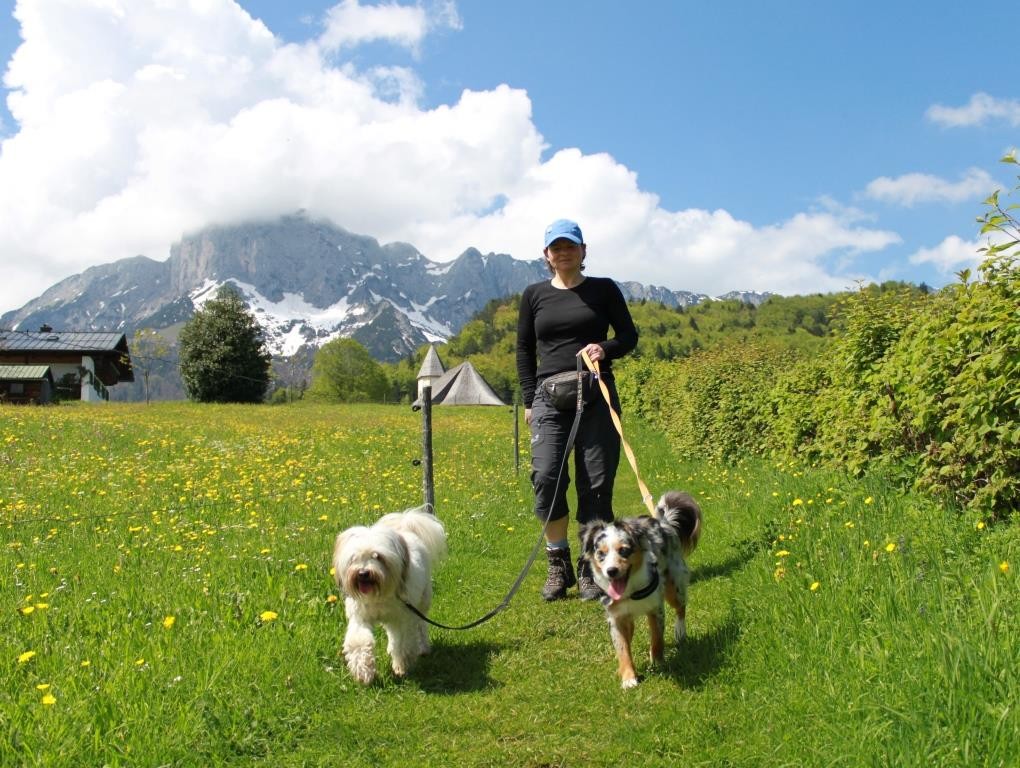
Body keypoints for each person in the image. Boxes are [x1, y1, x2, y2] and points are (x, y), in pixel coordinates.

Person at [516, 218, 638, 600]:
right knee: (547, 478)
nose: (563, 252)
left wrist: (605, 348)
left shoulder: (604, 290)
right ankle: (558, 566)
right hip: (548, 397)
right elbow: (524, 350)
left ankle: (590, 567)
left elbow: (628, 336)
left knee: (596, 484)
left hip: (596, 394)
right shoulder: (533, 295)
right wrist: (528, 400)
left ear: (584, 251)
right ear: (546, 255)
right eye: (556, 247)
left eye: (571, 246)